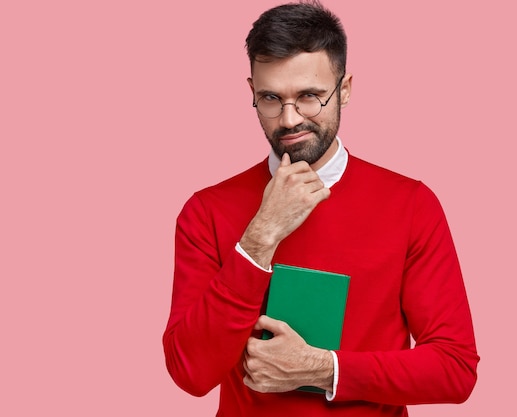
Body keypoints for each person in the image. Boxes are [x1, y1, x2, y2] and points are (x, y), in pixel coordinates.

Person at [163, 1, 479, 416]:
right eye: (271, 98)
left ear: (344, 90)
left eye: (309, 96)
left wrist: (324, 369)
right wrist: (260, 237)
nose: (289, 119)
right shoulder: (206, 211)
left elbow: (455, 369)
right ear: (252, 93)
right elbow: (190, 372)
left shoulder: (411, 204)